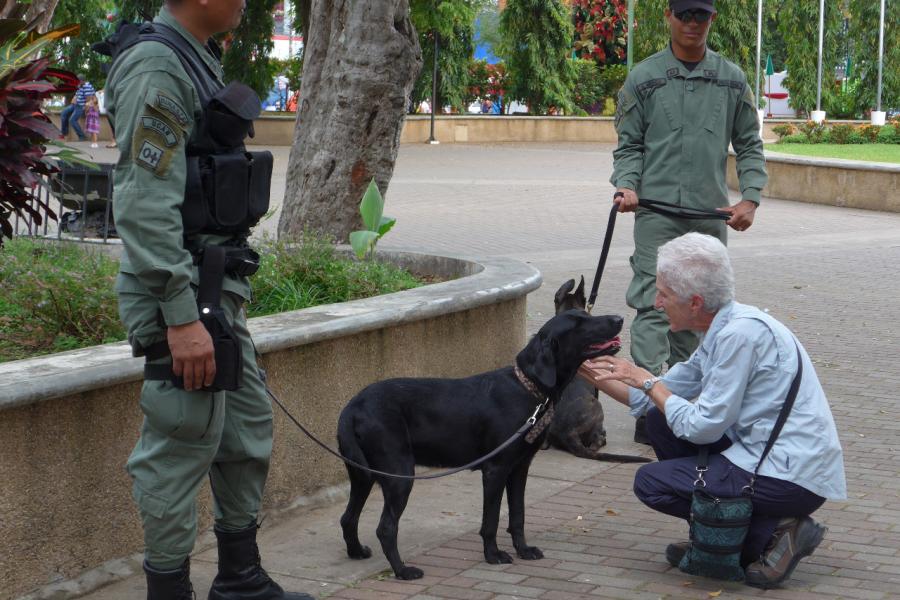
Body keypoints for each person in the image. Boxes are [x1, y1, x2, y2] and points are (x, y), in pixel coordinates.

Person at [105, 1, 311, 599]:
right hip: (183, 295)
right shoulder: (158, 66)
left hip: (213, 291)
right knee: (180, 442)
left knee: (244, 432)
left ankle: (240, 580)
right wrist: (180, 317)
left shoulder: (194, 59)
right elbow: (144, 204)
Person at [581, 233, 846, 589]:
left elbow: (702, 427)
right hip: (765, 460)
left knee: (651, 483)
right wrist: (584, 367)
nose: (657, 303)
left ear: (695, 302)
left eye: (664, 294)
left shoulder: (740, 337)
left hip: (790, 476)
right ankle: (725, 536)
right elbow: (656, 397)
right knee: (660, 418)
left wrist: (647, 381)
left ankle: (775, 532)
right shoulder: (725, 327)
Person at [610, 0, 768, 445]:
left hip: (708, 216)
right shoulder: (644, 77)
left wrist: (751, 198)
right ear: (669, 17)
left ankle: (680, 400)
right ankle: (646, 404)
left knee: (698, 311)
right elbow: (629, 145)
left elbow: (750, 145)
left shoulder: (731, 79)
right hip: (656, 212)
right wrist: (626, 185)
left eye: (701, 16)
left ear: (712, 19)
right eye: (685, 15)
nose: (693, 24)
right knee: (652, 304)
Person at [59, 74, 95, 141]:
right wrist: (74, 99)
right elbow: (77, 95)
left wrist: (86, 109)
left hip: (81, 106)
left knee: (72, 120)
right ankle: (64, 133)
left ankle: (82, 136)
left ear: (82, 81)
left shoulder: (87, 87)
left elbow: (88, 99)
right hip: (75, 104)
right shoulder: (79, 86)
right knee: (63, 113)